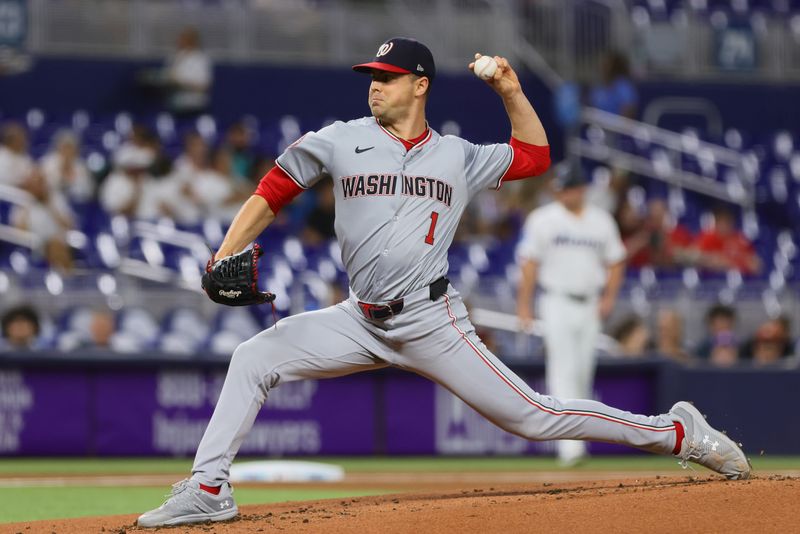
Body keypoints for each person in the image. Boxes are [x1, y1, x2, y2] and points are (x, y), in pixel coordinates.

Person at [137, 37, 750, 528]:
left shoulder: (457, 155)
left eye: (388, 75)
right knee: (252, 357)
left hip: (433, 320)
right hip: (359, 318)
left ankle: (678, 432)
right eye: (372, 75)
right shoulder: (340, 139)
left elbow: (534, 157)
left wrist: (510, 87)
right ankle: (209, 489)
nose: (375, 83)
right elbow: (272, 190)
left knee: (535, 417)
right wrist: (225, 252)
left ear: (420, 85)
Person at [515, 162, 627, 466]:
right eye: (562, 188)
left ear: (582, 189)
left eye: (572, 187)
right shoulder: (543, 219)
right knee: (562, 371)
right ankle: (570, 449)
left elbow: (617, 260)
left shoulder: (601, 221)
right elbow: (529, 263)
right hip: (556, 301)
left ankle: (578, 443)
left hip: (589, 303)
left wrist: (608, 298)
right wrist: (523, 305)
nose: (566, 193)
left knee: (582, 372)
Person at [694, 207, 761, 276]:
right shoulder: (707, 238)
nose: (725, 225)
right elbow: (697, 259)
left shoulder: (739, 239)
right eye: (721, 221)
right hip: (711, 281)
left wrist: (727, 262)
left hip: (739, 281)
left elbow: (756, 265)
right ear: (716, 223)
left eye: (728, 221)